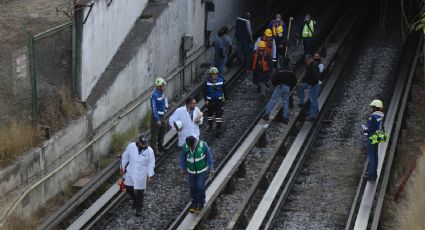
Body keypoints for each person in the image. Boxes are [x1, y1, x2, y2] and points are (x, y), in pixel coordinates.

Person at [120, 135, 155, 217]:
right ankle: (135, 200)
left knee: (140, 192)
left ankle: (139, 210)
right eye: (142, 144)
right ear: (138, 142)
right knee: (128, 189)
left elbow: (151, 164)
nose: (144, 146)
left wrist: (150, 175)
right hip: (131, 172)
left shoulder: (150, 151)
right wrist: (122, 167)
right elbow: (125, 157)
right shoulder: (131, 146)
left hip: (141, 175)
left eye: (145, 144)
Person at [179, 136, 214, 213]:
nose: (191, 148)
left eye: (192, 146)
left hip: (201, 170)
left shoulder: (203, 145)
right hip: (191, 171)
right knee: (192, 187)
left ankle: (201, 202)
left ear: (195, 142)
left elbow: (209, 156)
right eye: (189, 146)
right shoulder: (185, 146)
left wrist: (211, 168)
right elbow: (182, 157)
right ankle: (194, 203)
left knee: (200, 187)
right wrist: (182, 168)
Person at [362, 100, 387, 181]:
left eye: (372, 107)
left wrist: (365, 130)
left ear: (376, 107)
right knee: (375, 155)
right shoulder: (381, 115)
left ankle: (370, 175)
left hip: (371, 136)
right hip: (377, 137)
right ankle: (374, 173)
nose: (371, 109)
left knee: (371, 156)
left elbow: (371, 128)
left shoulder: (373, 116)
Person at [203, 67, 226, 134]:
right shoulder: (207, 83)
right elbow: (203, 92)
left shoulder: (221, 81)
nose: (215, 75)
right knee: (210, 115)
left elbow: (224, 90)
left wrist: (226, 98)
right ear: (211, 75)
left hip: (219, 101)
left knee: (219, 114)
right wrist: (206, 100)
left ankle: (219, 127)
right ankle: (210, 126)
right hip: (210, 101)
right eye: (213, 74)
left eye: (216, 74)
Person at [298, 55, 320, 120]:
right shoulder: (309, 65)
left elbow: (316, 77)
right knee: (300, 87)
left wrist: (310, 84)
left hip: (313, 85)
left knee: (313, 100)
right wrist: (302, 81)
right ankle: (302, 103)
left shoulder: (314, 66)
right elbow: (306, 74)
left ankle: (312, 116)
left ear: (310, 59)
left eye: (307, 61)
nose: (306, 62)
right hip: (309, 83)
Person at [150, 77, 168, 154]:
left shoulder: (161, 93)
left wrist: (165, 109)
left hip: (162, 116)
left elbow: (164, 101)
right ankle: (155, 150)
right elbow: (154, 108)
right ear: (159, 86)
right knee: (155, 134)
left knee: (162, 130)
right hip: (156, 118)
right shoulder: (154, 95)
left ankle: (160, 145)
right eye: (163, 86)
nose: (164, 87)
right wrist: (157, 119)